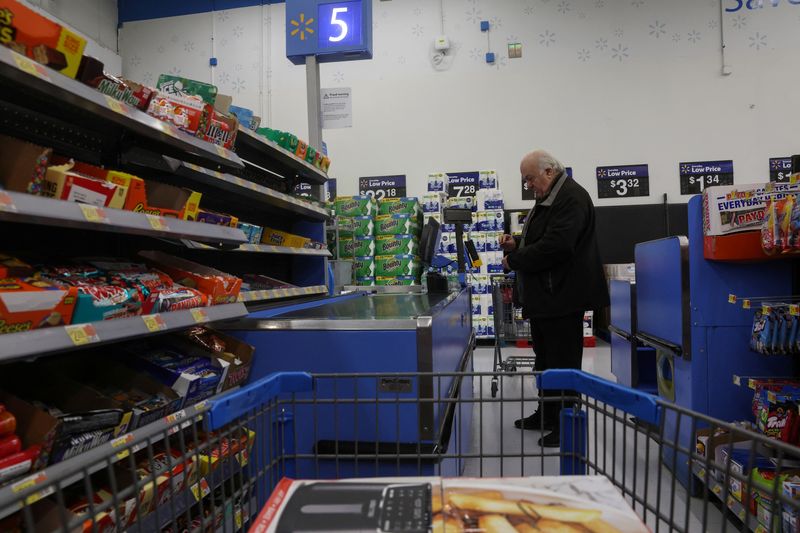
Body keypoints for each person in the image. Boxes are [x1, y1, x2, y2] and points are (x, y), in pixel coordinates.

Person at [499, 149, 609, 448]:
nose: (528, 185)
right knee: (545, 360)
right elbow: (543, 238)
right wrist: (518, 242)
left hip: (562, 296)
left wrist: (515, 259)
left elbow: (558, 246)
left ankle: (567, 423)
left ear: (549, 171)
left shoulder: (571, 198)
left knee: (563, 362)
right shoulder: (550, 198)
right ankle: (547, 414)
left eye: (530, 178)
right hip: (547, 297)